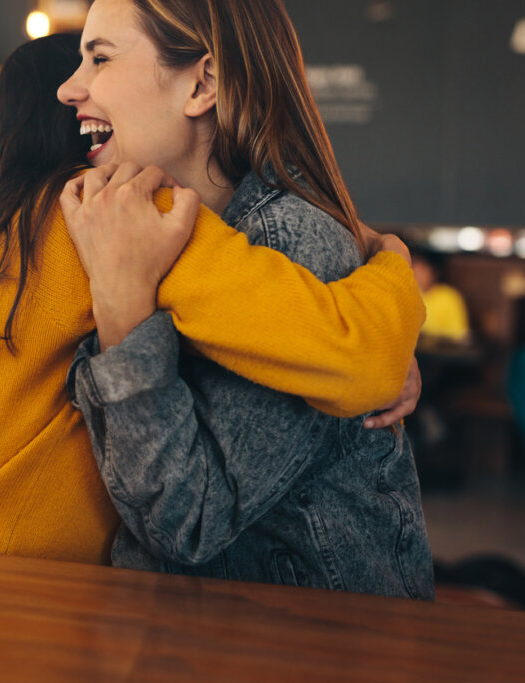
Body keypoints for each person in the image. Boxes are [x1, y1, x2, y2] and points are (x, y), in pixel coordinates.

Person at [0, 33, 424, 574]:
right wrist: (386, 259)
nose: (78, 88)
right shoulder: (107, 210)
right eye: (84, 63)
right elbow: (361, 357)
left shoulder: (19, 232)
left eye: (102, 61)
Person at [58, 0, 434, 599]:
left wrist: (123, 314)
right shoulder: (131, 226)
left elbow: (187, 523)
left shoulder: (291, 244)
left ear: (202, 84)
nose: (68, 88)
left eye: (98, 58)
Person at [412, 250, 472, 345]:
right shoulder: (409, 294)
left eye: (421, 269)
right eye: (412, 268)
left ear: (433, 272)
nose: (415, 273)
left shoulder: (449, 297)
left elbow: (459, 336)